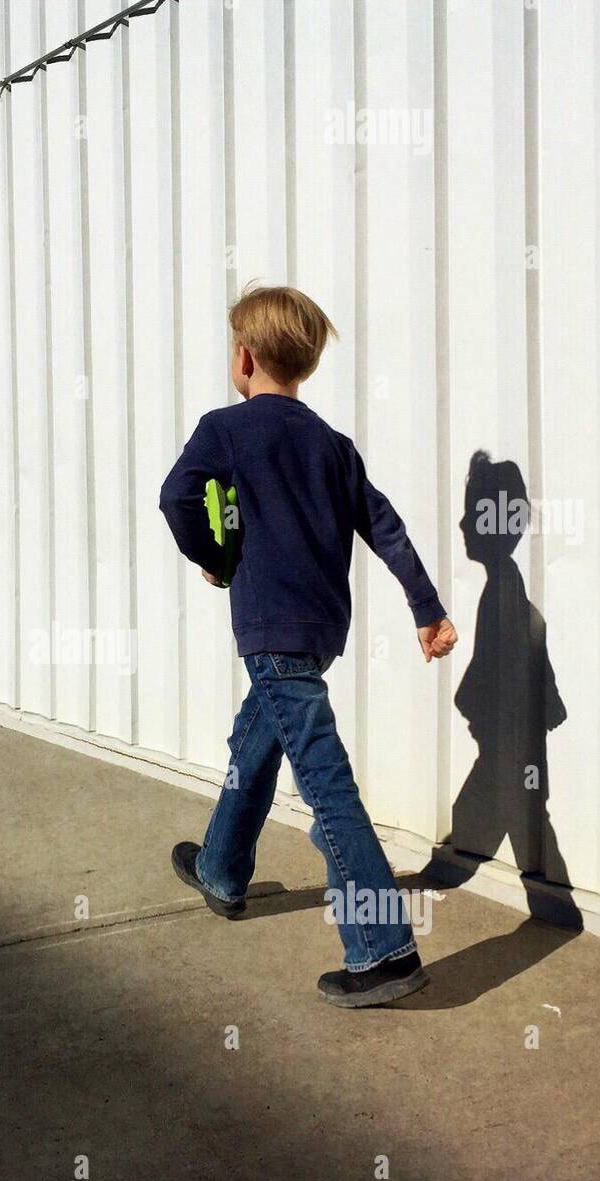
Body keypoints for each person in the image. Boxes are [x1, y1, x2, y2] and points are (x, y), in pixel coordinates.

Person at [158, 284, 457, 1007]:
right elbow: (385, 526)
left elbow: (176, 496)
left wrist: (216, 555)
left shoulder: (225, 428)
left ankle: (383, 946)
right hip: (318, 633)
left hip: (270, 631)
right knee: (256, 739)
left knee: (325, 783)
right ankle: (223, 868)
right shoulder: (332, 445)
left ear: (244, 358)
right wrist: (426, 607)